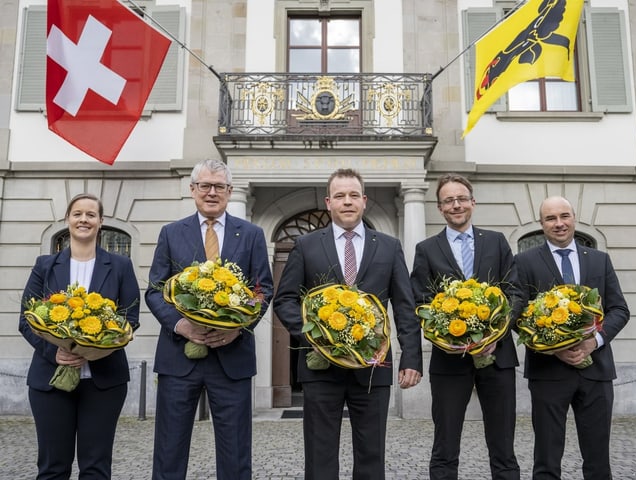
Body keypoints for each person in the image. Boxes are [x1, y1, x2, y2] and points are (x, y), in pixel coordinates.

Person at [273, 168, 423, 480]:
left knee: (371, 456)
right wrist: (315, 338)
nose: (347, 201)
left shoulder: (390, 246)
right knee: (320, 454)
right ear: (328, 202)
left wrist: (411, 356)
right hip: (319, 369)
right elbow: (285, 300)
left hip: (373, 367)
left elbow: (405, 306)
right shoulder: (306, 245)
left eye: (354, 195)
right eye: (340, 196)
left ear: (364, 201)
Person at [145, 159, 273, 480]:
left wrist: (238, 327)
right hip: (178, 359)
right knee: (169, 452)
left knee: (235, 455)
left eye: (219, 186)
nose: (212, 192)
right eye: (205, 186)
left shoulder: (253, 235)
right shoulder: (172, 233)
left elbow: (263, 290)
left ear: (230, 192)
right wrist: (181, 324)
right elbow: (155, 291)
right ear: (193, 190)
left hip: (232, 359)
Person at [18, 193, 141, 479]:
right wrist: (56, 352)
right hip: (50, 381)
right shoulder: (45, 265)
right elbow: (27, 320)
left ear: (101, 222)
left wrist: (94, 349)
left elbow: (130, 319)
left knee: (96, 467)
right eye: (77, 214)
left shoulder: (121, 266)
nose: (83, 219)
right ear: (67, 220)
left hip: (104, 383)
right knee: (52, 468)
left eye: (90, 215)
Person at [410, 173, 520, 480]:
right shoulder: (427, 249)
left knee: (503, 445)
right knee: (445, 445)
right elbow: (419, 299)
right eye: (448, 201)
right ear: (440, 207)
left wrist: (497, 332)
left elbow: (515, 291)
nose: (456, 205)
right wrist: (444, 335)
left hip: (498, 358)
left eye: (461, 199)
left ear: (472, 202)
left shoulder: (496, 242)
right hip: (449, 360)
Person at [512, 196, 629, 480]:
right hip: (548, 372)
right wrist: (554, 349)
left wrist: (594, 341)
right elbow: (516, 315)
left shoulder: (599, 259)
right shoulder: (524, 261)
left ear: (574, 217)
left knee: (598, 458)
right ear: (541, 224)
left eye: (564, 216)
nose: (559, 223)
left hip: (596, 371)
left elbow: (619, 310)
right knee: (547, 458)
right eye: (551, 219)